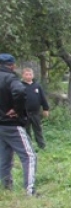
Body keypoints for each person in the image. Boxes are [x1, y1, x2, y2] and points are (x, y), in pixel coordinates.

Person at [0, 53, 37, 196]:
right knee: (29, 156)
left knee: (4, 157)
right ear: (12, 65)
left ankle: (5, 189)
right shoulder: (10, 78)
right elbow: (20, 91)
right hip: (12, 124)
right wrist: (16, 109)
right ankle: (29, 191)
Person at [21, 68, 50, 149]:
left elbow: (43, 98)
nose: (28, 76)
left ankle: (42, 146)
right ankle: (28, 147)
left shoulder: (37, 86)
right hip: (24, 113)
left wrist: (46, 108)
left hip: (35, 113)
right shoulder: (20, 86)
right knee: (26, 131)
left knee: (38, 129)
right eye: (26, 74)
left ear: (33, 75)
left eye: (30, 74)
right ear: (22, 75)